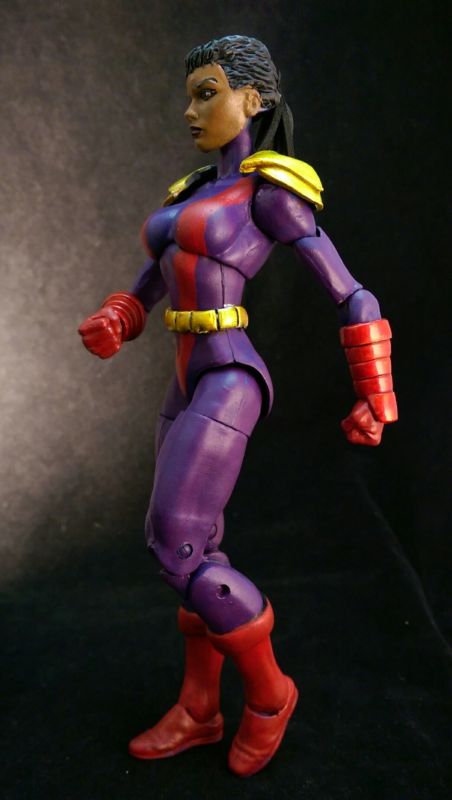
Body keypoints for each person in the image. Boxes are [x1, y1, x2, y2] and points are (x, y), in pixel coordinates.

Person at [78, 35, 397, 777]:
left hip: (228, 373)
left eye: (208, 93)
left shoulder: (270, 192)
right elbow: (152, 282)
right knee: (192, 551)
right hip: (185, 373)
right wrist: (120, 315)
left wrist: (376, 393)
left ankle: (271, 694)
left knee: (176, 546)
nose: (190, 111)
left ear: (253, 99)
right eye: (189, 95)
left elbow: (351, 293)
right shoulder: (191, 191)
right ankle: (199, 709)